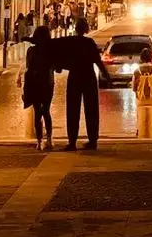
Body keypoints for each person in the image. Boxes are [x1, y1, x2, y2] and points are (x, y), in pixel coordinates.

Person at [56, 15, 104, 151]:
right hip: (88, 76)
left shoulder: (70, 42)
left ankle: (72, 142)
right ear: (86, 29)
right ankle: (93, 140)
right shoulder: (90, 43)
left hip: (75, 76)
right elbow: (98, 61)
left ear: (76, 28)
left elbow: (61, 59)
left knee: (72, 109)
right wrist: (105, 74)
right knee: (92, 109)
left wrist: (58, 66)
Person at [22, 24, 56, 150]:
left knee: (37, 112)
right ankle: (49, 139)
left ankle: (39, 141)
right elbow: (56, 68)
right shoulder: (51, 50)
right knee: (46, 111)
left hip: (35, 82)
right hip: (47, 83)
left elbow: (28, 67)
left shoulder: (31, 51)